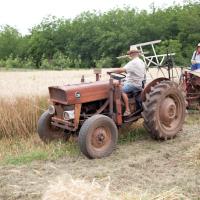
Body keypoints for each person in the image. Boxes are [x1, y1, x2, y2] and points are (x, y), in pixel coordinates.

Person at [108, 46, 146, 116]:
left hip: (134, 84)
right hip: (138, 83)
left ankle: (127, 110)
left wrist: (111, 71)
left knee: (121, 90)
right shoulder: (141, 62)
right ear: (137, 53)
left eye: (130, 53)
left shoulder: (133, 62)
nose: (130, 55)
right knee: (121, 84)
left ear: (132, 54)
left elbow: (122, 70)